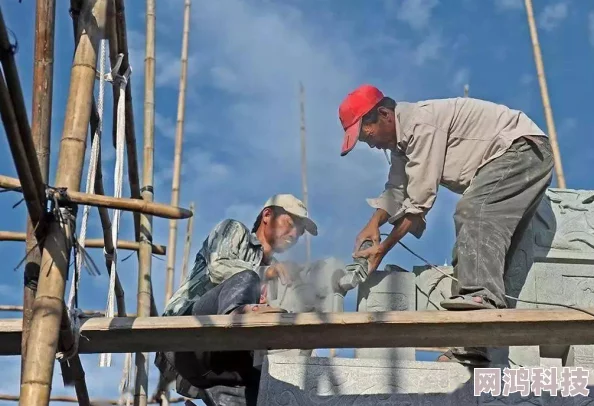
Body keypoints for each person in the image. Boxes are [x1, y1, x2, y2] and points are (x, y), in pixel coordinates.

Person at [338, 84, 554, 366]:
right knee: (474, 249)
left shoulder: (420, 124)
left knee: (473, 211)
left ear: (384, 114)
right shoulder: (401, 148)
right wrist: (372, 225)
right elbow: (395, 191)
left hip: (522, 149)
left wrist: (383, 248)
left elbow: (417, 206)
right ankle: (474, 347)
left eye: (368, 135)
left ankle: (479, 302)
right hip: (512, 158)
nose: (371, 144)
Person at [155, 194, 318, 405]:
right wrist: (265, 272)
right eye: (291, 222)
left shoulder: (279, 272)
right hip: (186, 333)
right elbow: (218, 267)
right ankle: (238, 319)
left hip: (223, 363)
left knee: (264, 394)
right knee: (246, 278)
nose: (295, 233)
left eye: (301, 230)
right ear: (267, 215)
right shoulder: (235, 231)